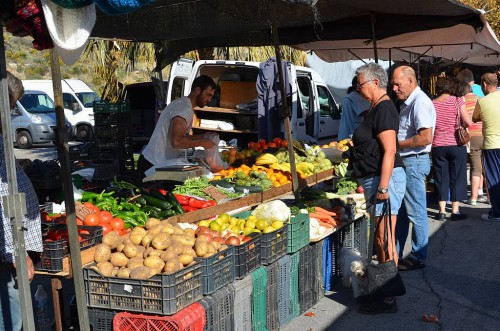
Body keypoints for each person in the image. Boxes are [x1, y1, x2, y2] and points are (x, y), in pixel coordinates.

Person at [348, 63, 406, 314]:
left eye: (360, 83)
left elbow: (390, 150)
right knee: (381, 239)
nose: (358, 88)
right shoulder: (374, 107)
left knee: (386, 238)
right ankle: (383, 290)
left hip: (385, 179)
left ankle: (388, 297)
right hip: (375, 178)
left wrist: (383, 186)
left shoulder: (384, 108)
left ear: (374, 82)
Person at [0, 71, 43, 331]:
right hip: (7, 246)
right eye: (12, 105)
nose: (13, 112)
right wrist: (19, 251)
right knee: (11, 310)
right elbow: (1, 197)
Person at [392, 65, 435, 272]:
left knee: (416, 211)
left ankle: (418, 256)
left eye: (397, 84)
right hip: (408, 160)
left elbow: (425, 137)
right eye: (393, 84)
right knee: (402, 211)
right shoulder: (410, 102)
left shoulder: (420, 102)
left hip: (414, 161)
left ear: (411, 81)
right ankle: (396, 252)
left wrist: (397, 144)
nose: (394, 88)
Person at [137, 75, 217, 177]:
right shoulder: (183, 108)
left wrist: (203, 136)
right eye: (208, 95)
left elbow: (183, 137)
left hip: (158, 164)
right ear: (197, 90)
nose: (209, 100)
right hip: (151, 165)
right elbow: (176, 142)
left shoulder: (184, 105)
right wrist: (202, 142)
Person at [431, 76, 471, 221]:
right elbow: (467, 121)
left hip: (438, 145)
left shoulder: (432, 103)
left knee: (440, 177)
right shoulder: (457, 100)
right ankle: (455, 211)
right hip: (456, 144)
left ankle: (441, 211)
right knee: (457, 176)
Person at [472, 73, 500, 221]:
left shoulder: (482, 101)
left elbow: (475, 118)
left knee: (494, 179)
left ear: (484, 85)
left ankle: (496, 212)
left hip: (492, 145)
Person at [455, 73, 485, 205]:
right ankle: (481, 192)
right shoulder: (480, 99)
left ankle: (473, 197)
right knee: (482, 166)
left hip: (470, 136)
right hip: (484, 135)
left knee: (475, 167)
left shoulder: (461, 102)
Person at [338, 76, 370, 140]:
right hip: (349, 135)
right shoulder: (354, 96)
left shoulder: (352, 95)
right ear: (358, 85)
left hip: (347, 134)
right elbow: (363, 112)